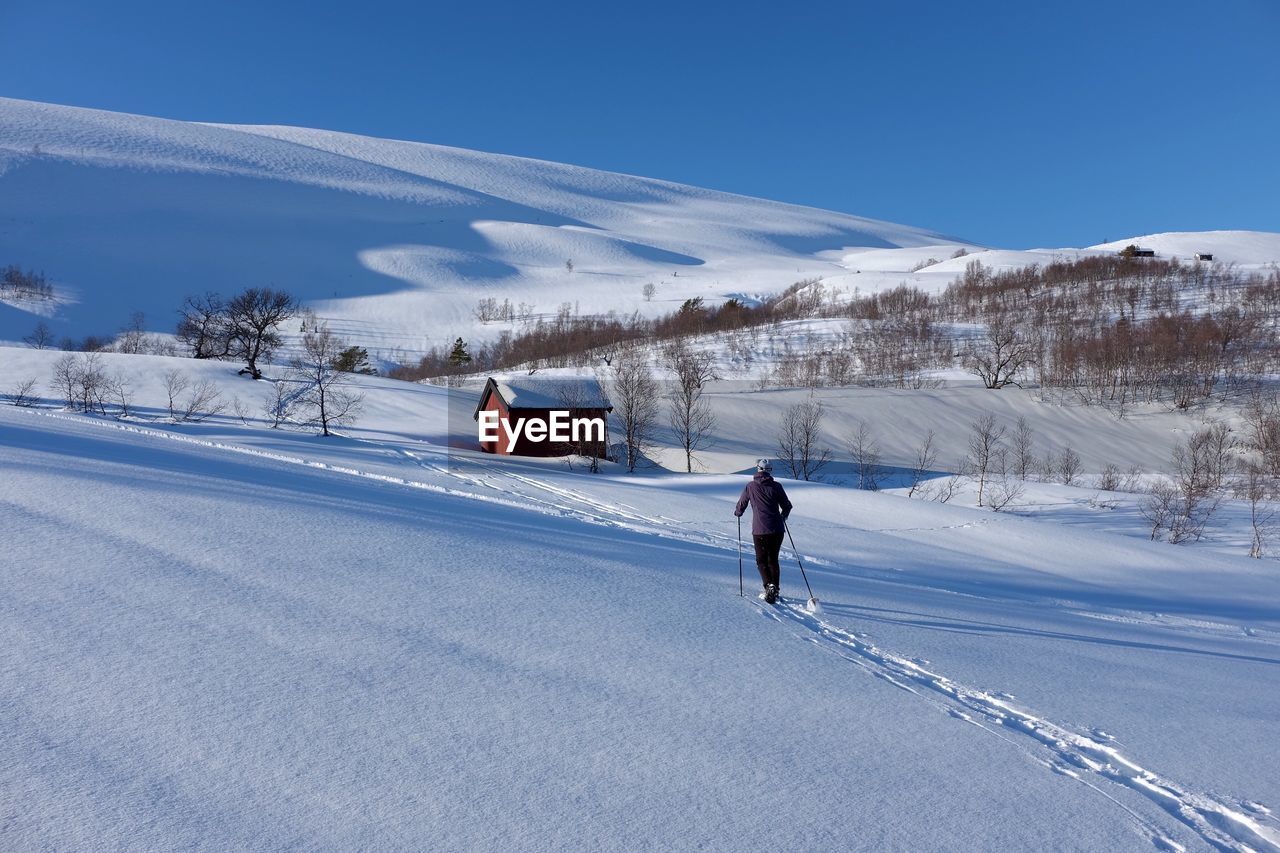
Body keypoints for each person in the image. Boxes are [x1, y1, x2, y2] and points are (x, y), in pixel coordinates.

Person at [734, 458, 792, 604]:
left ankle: (769, 585)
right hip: (777, 529)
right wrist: (782, 517)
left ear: (758, 469)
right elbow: (787, 506)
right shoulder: (777, 486)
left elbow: (742, 504)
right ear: (770, 470)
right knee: (773, 559)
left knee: (761, 560)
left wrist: (738, 513)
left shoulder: (750, 487)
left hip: (760, 529)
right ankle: (775, 589)